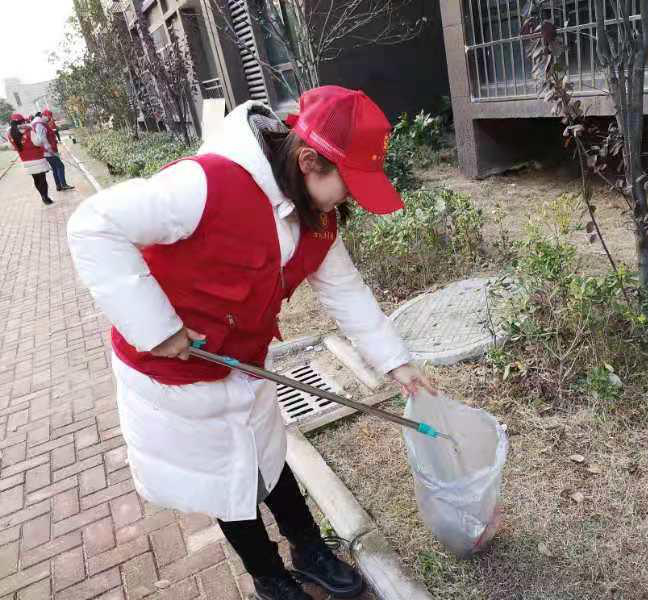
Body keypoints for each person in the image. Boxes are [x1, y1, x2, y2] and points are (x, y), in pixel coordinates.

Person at [67, 86, 435, 600]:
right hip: (177, 377)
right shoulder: (205, 184)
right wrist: (157, 328)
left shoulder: (314, 215)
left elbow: (346, 292)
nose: (350, 198)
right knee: (227, 485)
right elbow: (93, 225)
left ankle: (308, 550)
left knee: (269, 459)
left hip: (243, 365)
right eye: (349, 184)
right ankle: (268, 578)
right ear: (309, 161)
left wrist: (397, 363)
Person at [6, 113, 53, 205]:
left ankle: (42, 196)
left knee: (36, 179)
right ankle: (45, 197)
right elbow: (37, 142)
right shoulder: (28, 130)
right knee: (42, 179)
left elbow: (12, 147)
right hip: (37, 158)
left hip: (26, 160)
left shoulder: (10, 134)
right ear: (22, 121)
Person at [31, 110, 74, 191]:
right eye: (48, 117)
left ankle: (59, 186)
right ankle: (63, 184)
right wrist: (50, 150)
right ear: (43, 115)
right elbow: (42, 138)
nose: (49, 119)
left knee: (55, 168)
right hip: (49, 151)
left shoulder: (40, 123)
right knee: (60, 166)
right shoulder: (39, 124)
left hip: (48, 151)